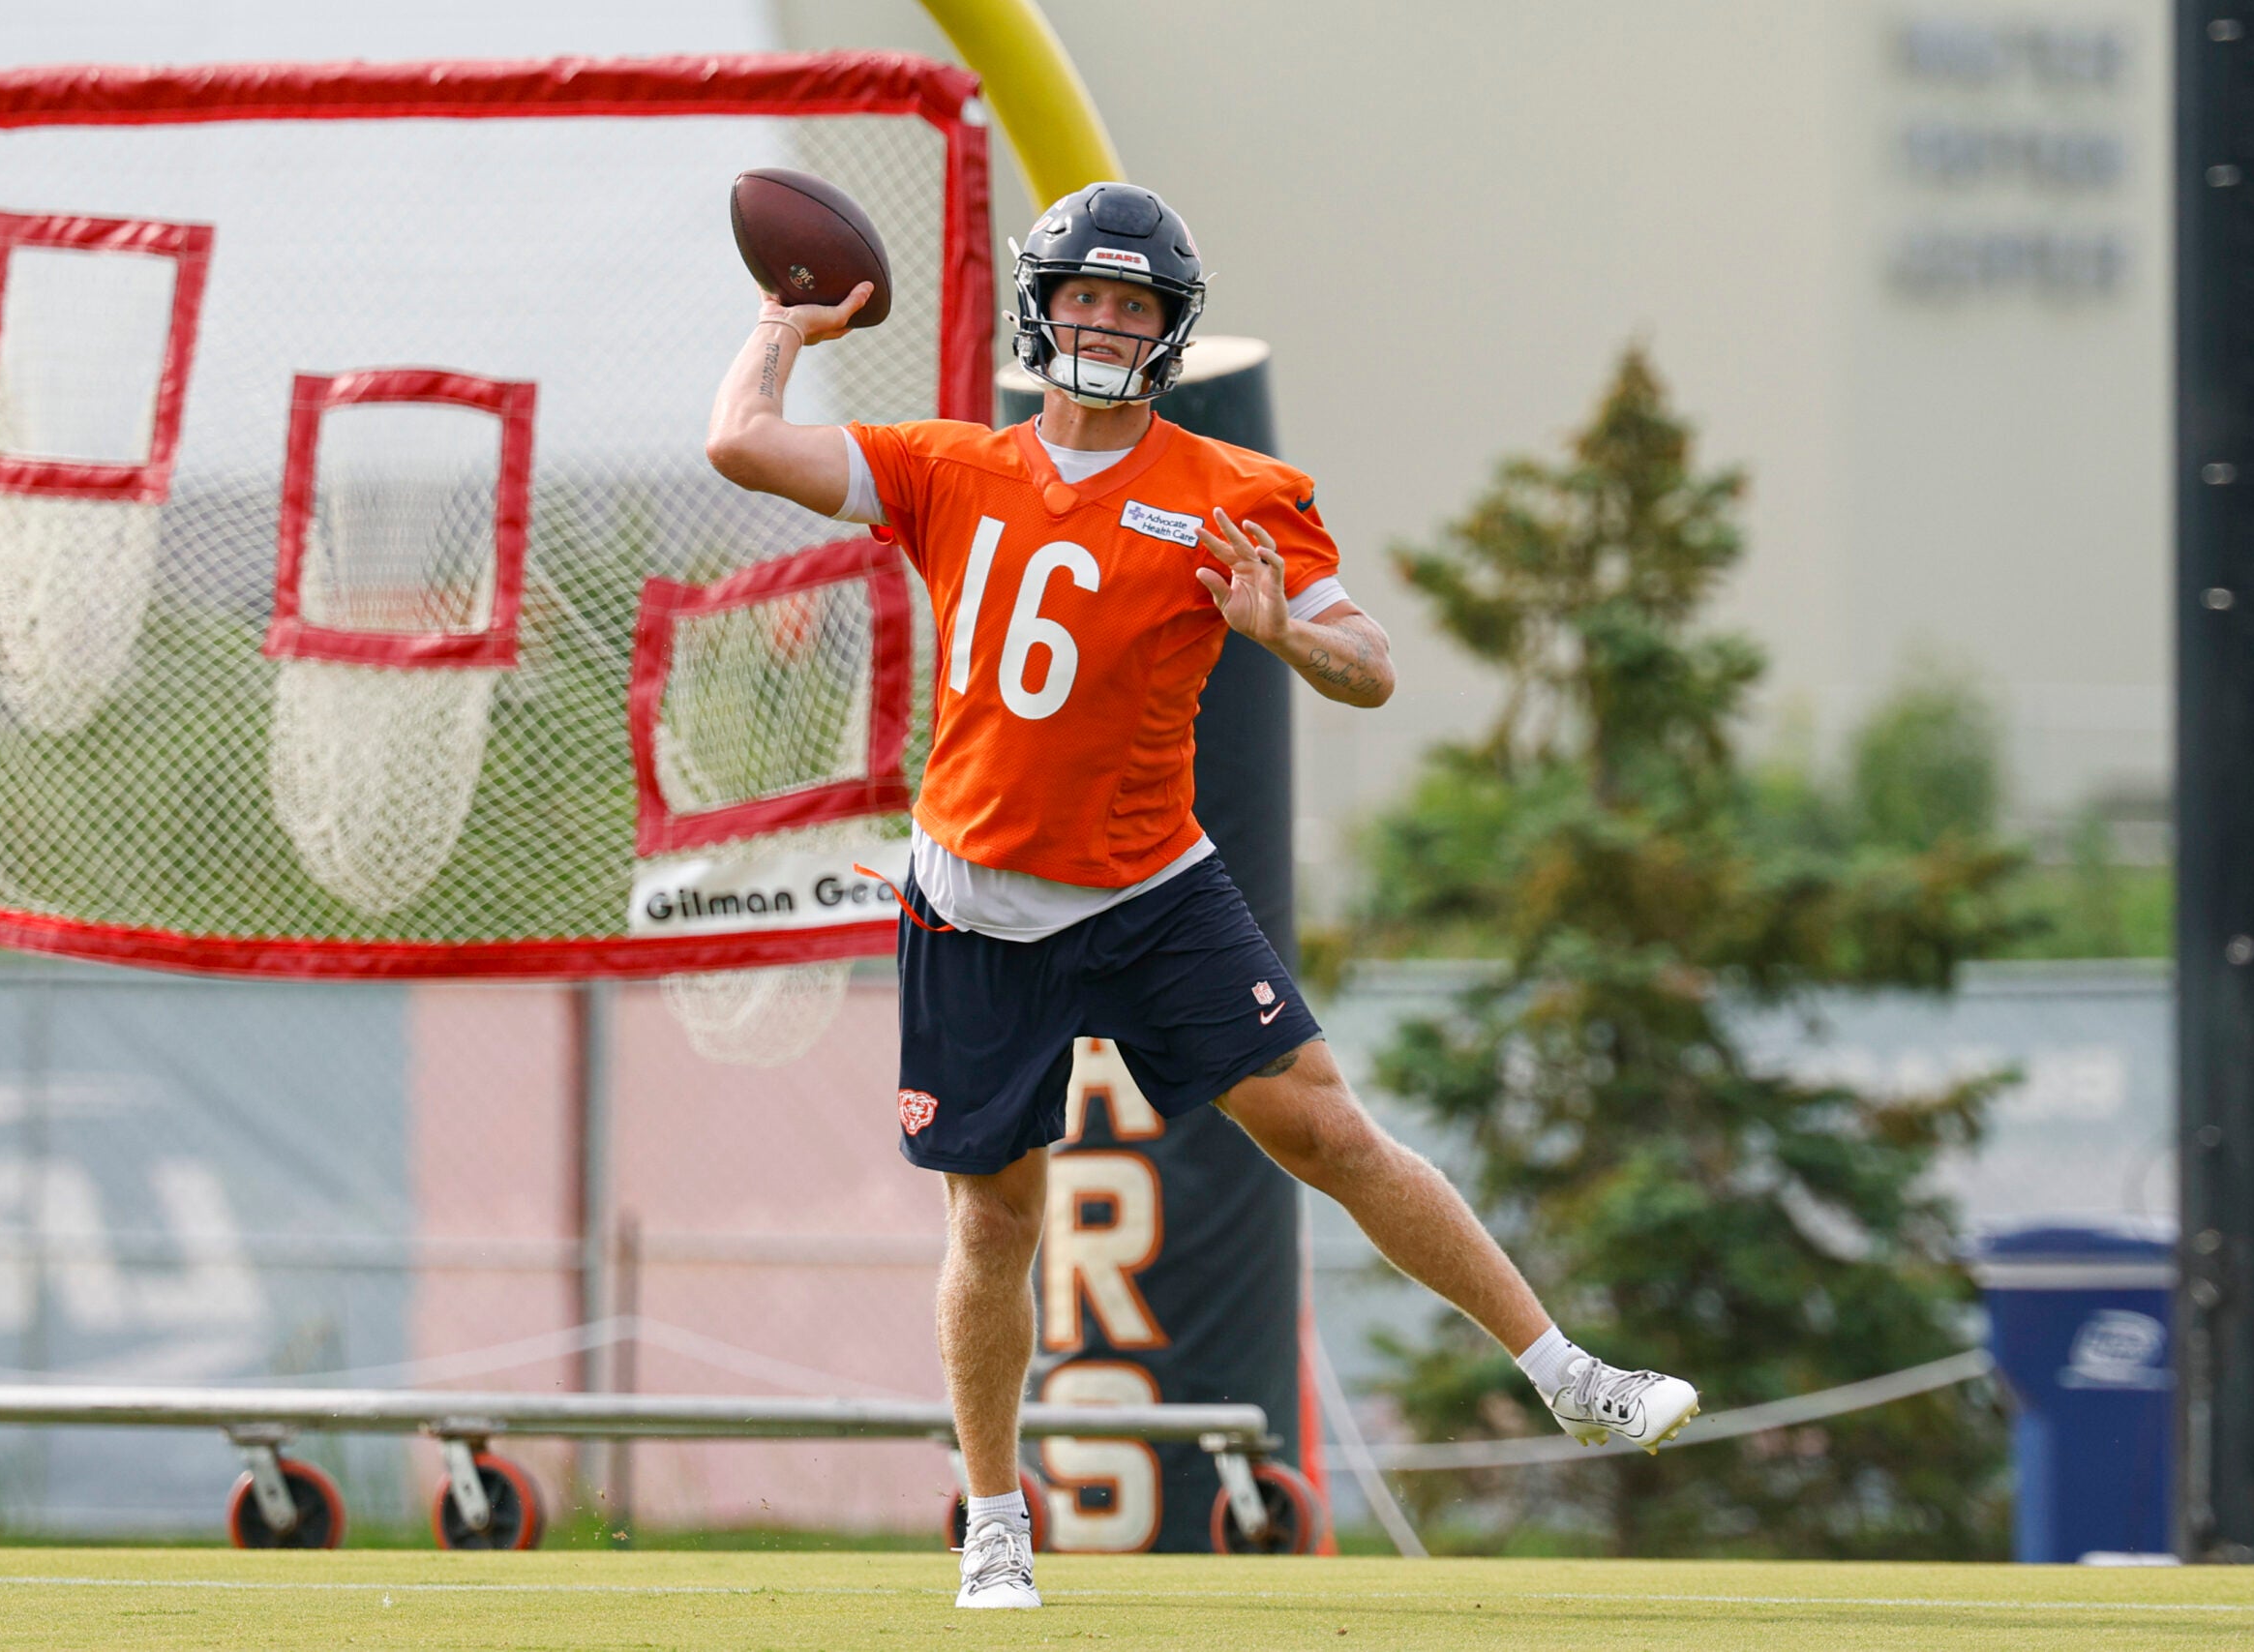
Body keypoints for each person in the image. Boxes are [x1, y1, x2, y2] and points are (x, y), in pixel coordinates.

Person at [706, 182, 1698, 1608]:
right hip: (976, 895)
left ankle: (1568, 1375)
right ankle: (995, 1522)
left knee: (1331, 1134)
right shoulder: (948, 463)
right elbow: (738, 440)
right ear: (1046, 311)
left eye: (1134, 306)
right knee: (993, 1222)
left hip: (1146, 884)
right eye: (1088, 299)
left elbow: (1373, 665)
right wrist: (779, 324)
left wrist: (1280, 625)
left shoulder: (1232, 490)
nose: (1106, 323)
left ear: (1170, 332)